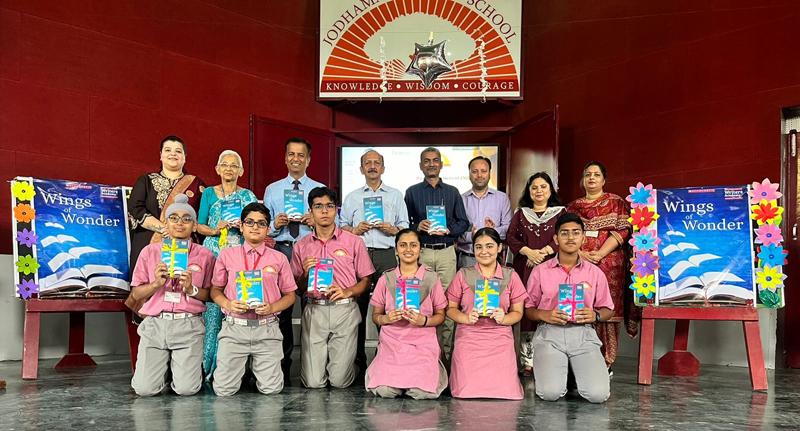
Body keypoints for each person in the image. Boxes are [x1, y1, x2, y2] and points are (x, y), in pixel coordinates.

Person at [129, 194, 216, 396]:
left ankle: (186, 371)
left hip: (189, 324)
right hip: (156, 324)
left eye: (187, 219)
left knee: (187, 390)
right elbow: (136, 294)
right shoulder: (149, 252)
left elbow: (211, 295)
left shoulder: (205, 255)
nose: (180, 223)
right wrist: (156, 284)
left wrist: (191, 289)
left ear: (194, 226)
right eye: (174, 218)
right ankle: (163, 371)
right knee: (144, 390)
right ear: (166, 223)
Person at [525, 213, 614, 403]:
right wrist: (544, 314)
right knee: (550, 394)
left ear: (583, 237)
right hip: (550, 334)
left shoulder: (595, 273)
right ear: (556, 239)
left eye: (576, 232)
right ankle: (555, 373)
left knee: (598, 395)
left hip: (583, 334)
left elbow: (608, 309)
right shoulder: (540, 271)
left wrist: (596, 315)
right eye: (564, 233)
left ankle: (571, 373)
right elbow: (528, 309)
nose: (570, 237)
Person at [210, 203, 297, 396]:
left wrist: (272, 307)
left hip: (267, 329)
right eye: (249, 222)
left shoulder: (279, 258)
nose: (255, 227)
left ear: (268, 228)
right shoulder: (226, 255)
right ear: (241, 226)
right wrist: (228, 304)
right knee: (223, 390)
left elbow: (290, 295)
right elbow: (215, 290)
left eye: (261, 223)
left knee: (272, 390)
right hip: (235, 328)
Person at [291, 187, 375, 388]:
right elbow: (298, 290)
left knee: (339, 382)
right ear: (310, 212)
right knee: (313, 383)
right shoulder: (301, 245)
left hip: (344, 309)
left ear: (336, 210)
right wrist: (304, 274)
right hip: (315, 308)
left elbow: (366, 280)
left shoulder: (353, 241)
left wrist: (348, 291)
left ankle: (354, 366)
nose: (324, 211)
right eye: (318, 206)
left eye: (329, 206)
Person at [340, 149, 410, 376]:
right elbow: (341, 226)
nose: (372, 166)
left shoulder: (395, 195)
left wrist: (393, 229)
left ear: (383, 168)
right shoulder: (352, 197)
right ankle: (356, 360)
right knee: (357, 308)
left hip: (387, 254)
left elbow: (405, 226)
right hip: (358, 255)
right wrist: (354, 229)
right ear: (361, 169)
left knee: (390, 306)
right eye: (368, 163)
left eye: (376, 163)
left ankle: (387, 356)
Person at [263, 137, 327, 378]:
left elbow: (332, 223)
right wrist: (275, 225)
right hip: (282, 250)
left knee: (313, 305)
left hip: (311, 250)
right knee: (282, 310)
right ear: (285, 158)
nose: (296, 159)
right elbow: (262, 227)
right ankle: (283, 362)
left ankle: (313, 363)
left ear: (308, 160)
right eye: (291, 154)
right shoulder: (272, 189)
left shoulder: (319, 189)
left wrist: (316, 223)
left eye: (301, 155)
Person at [195, 150, 259, 381]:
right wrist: (216, 229)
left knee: (238, 305)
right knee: (214, 308)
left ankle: (236, 368)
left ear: (241, 171)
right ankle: (207, 366)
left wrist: (242, 226)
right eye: (225, 164)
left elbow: (257, 225)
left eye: (234, 165)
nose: (229, 169)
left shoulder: (248, 196)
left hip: (240, 253)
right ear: (218, 169)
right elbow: (199, 226)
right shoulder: (209, 193)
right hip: (214, 252)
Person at [567, 161, 635, 372]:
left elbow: (624, 230)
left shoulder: (616, 202)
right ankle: (578, 361)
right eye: (588, 174)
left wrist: (600, 253)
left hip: (609, 266)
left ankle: (606, 362)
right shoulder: (573, 207)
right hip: (579, 263)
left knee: (606, 312)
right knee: (579, 308)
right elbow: (566, 234)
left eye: (596, 175)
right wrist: (581, 254)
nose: (592, 178)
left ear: (604, 180)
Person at [127, 136, 206, 315]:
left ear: (185, 157)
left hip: (185, 249)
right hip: (150, 243)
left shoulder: (197, 184)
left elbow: (202, 219)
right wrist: (164, 229)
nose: (173, 154)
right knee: (149, 287)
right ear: (160, 155)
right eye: (168, 150)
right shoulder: (146, 180)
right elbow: (135, 208)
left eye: (178, 151)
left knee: (183, 288)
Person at [365, 229, 448, 399]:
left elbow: (441, 316)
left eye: (413, 245)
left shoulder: (432, 279)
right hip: (393, 344)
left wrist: (424, 320)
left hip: (423, 344)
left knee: (421, 392)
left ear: (420, 249)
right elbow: (376, 316)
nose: (408, 249)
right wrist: (386, 318)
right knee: (385, 390)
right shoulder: (386, 279)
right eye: (403, 245)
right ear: (396, 249)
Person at [404, 147, 470, 359]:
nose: (431, 164)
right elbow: (404, 224)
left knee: (448, 302)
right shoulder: (412, 192)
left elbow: (464, 222)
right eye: (426, 161)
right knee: (420, 301)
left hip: (446, 253)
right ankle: (423, 352)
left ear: (441, 164)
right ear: (420, 165)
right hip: (421, 252)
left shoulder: (452, 192)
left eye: (435, 160)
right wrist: (417, 227)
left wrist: (449, 230)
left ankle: (446, 354)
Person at [445, 228, 525, 400]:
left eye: (489, 246)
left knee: (507, 392)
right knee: (464, 392)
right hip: (469, 338)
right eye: (479, 247)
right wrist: (466, 318)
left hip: (500, 339)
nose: (484, 251)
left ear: (499, 248)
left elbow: (518, 312)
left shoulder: (511, 276)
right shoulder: (463, 274)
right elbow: (450, 309)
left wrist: (504, 318)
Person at [506, 172, 566, 376]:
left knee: (549, 305)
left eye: (543, 187)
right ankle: (528, 362)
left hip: (552, 268)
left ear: (550, 190)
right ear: (529, 191)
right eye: (534, 187)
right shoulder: (521, 214)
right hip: (525, 268)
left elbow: (564, 236)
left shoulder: (560, 213)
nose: (539, 191)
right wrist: (528, 252)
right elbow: (510, 237)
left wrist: (543, 252)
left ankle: (552, 358)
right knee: (527, 309)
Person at [456, 156, 512, 269]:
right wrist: (471, 236)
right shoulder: (460, 199)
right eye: (475, 171)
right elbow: (455, 231)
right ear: (469, 174)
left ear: (490, 173)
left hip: (494, 258)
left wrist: (492, 231)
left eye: (483, 171)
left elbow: (509, 229)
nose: (479, 175)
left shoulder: (502, 198)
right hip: (467, 258)